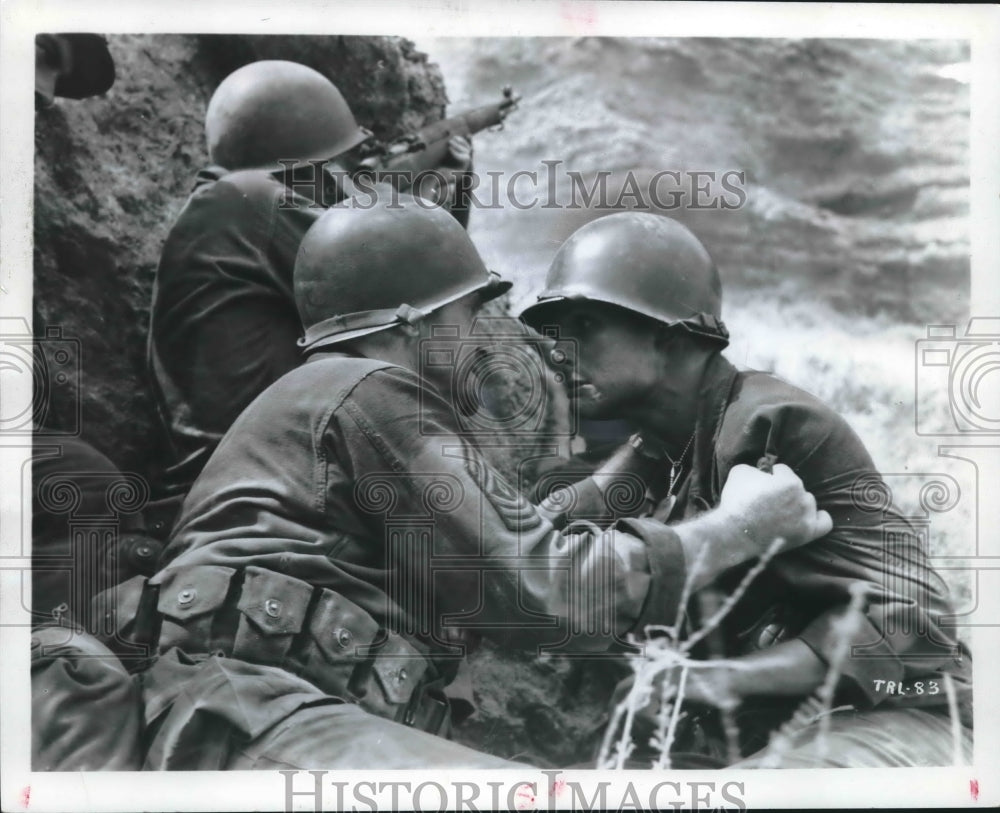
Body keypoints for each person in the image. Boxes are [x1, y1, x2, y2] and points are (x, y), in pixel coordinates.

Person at [96, 196, 832, 770]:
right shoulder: (372, 389)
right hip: (253, 712)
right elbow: (547, 590)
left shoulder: (327, 400)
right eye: (472, 309)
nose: (485, 333)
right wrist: (741, 528)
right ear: (415, 322)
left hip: (247, 715)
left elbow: (514, 559)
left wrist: (634, 467)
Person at [518, 211, 973, 768]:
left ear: (670, 333)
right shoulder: (660, 445)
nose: (557, 349)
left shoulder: (773, 424)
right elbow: (542, 542)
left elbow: (914, 623)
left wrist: (712, 681)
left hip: (903, 720)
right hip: (773, 730)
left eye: (585, 325)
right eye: (555, 328)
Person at [149, 59, 474, 502]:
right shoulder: (249, 203)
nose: (344, 177)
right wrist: (432, 195)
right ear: (313, 163)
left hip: (242, 480)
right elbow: (407, 297)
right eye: (343, 162)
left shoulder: (223, 209)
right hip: (269, 489)